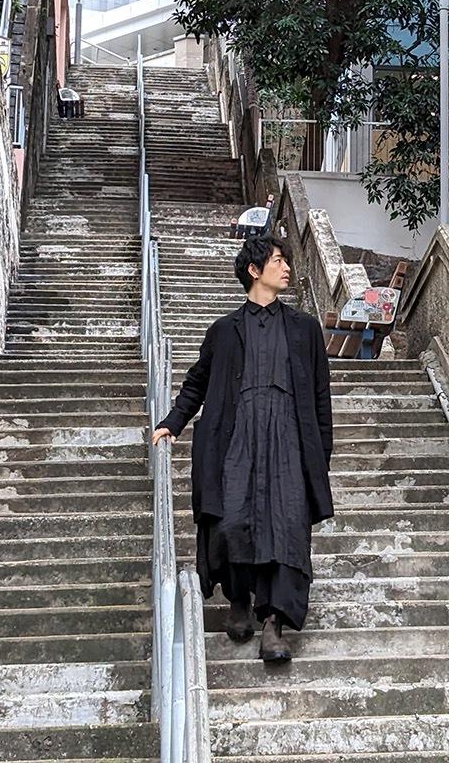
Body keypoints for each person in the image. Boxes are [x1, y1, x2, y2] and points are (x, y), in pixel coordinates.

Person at [150, 236, 333, 663]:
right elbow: (197, 382)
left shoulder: (305, 328)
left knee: (286, 529)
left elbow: (321, 395)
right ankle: (238, 600)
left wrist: (320, 454)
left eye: (287, 261)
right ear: (254, 270)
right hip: (235, 441)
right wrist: (171, 423)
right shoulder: (223, 331)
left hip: (288, 439)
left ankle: (275, 623)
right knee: (232, 520)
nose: (286, 267)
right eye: (277, 261)